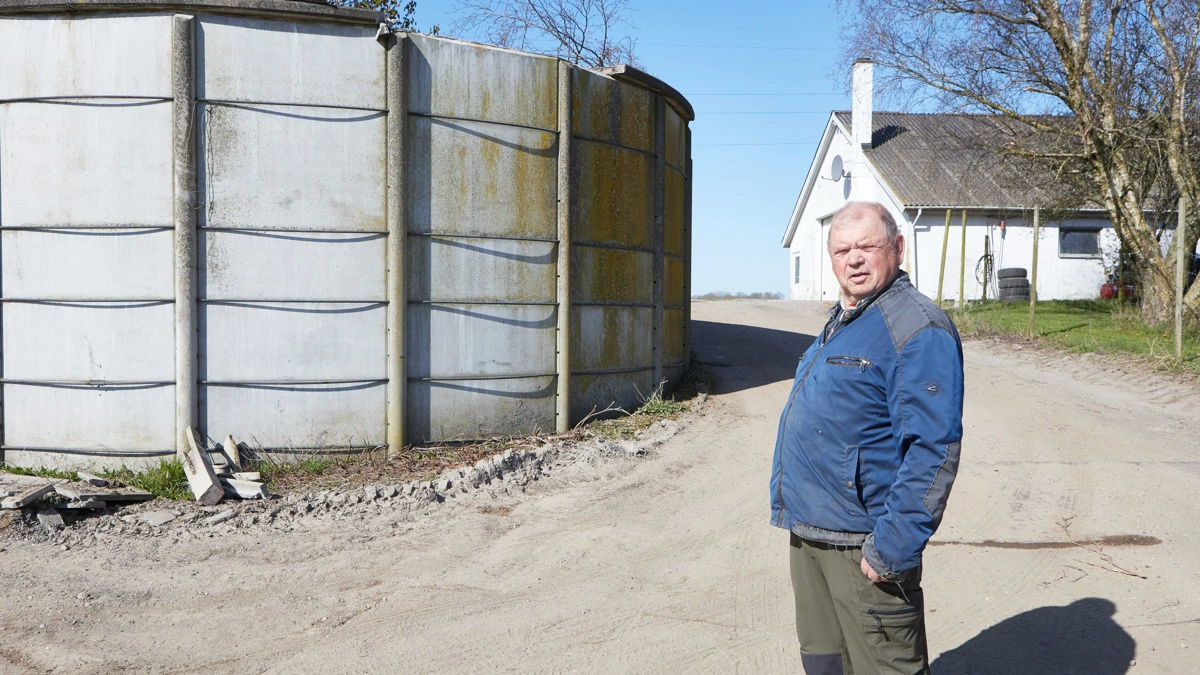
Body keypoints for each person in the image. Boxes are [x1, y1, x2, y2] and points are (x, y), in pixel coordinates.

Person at [770, 201, 964, 675]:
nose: (853, 259)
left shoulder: (916, 327)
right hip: (811, 536)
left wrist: (893, 547)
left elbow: (933, 449)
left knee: (883, 666)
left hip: (863, 546)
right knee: (825, 664)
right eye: (842, 250)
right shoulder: (848, 319)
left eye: (867, 246)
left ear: (897, 248)